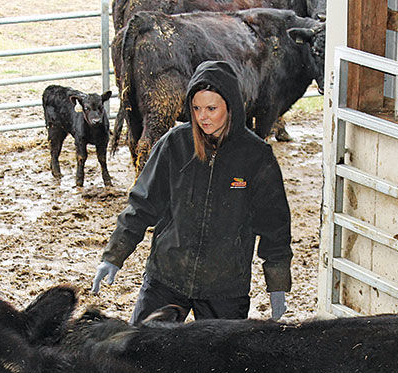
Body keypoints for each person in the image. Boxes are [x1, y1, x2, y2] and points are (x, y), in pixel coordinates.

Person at [92, 60, 292, 323]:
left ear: (230, 106)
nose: (202, 117)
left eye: (211, 108)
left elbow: (274, 225)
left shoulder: (255, 156)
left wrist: (277, 284)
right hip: (167, 276)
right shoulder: (175, 145)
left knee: (218, 364)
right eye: (196, 108)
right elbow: (141, 205)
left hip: (225, 286)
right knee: (141, 354)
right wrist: (114, 255)